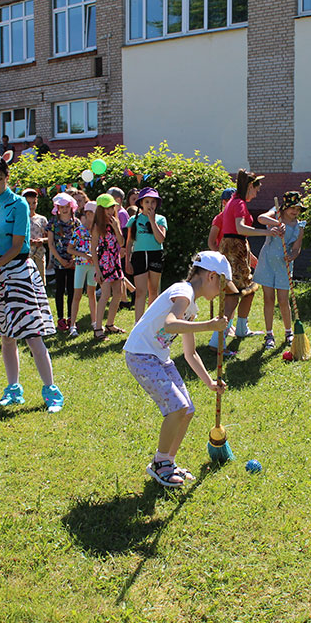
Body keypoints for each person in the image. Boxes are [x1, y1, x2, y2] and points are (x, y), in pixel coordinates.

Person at [123, 251, 233, 487]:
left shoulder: (191, 308)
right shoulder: (183, 291)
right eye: (222, 285)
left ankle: (168, 462)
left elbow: (190, 353)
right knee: (177, 407)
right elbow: (170, 324)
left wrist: (210, 382)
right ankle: (160, 463)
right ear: (212, 276)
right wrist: (209, 326)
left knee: (187, 409)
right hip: (141, 355)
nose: (222, 292)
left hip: (159, 358)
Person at [0, 152, 63, 413]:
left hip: (20, 272)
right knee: (6, 336)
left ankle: (51, 392)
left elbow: (15, 247)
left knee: (33, 336)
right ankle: (13, 390)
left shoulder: (19, 204)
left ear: (7, 177)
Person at [212, 170, 283, 350]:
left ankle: (241, 328)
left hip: (236, 249)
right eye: (256, 190)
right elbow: (240, 229)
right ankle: (217, 340)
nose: (256, 194)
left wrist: (250, 257)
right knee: (233, 295)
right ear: (250, 186)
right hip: (234, 251)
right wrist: (267, 232)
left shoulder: (235, 201)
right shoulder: (239, 203)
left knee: (249, 290)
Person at [254, 191, 306, 349]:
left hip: (284, 265)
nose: (295, 211)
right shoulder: (276, 214)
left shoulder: (299, 226)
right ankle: (269, 334)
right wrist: (276, 224)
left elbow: (296, 248)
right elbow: (261, 218)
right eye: (292, 208)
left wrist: (293, 255)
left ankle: (289, 332)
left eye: (298, 209)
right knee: (268, 299)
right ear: (284, 207)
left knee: (283, 300)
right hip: (267, 263)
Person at [126, 187, 168, 322]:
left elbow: (160, 239)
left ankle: (151, 322)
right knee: (140, 292)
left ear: (157, 204)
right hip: (139, 256)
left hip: (155, 254)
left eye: (153, 202)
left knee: (153, 291)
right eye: (147, 202)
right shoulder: (134, 220)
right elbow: (129, 242)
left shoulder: (161, 219)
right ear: (141, 203)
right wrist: (127, 261)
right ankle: (138, 324)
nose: (150, 205)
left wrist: (152, 221)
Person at [92, 193, 126, 340]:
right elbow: (93, 250)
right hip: (104, 263)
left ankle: (110, 324)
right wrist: (98, 270)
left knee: (118, 294)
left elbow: (121, 242)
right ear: (100, 210)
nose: (111, 211)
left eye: (112, 208)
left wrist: (117, 228)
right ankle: (98, 328)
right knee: (105, 295)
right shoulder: (97, 227)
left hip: (115, 261)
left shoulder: (114, 223)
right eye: (107, 208)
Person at [47, 192, 78, 331]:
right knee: (60, 289)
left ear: (71, 207)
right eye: (61, 207)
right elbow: (50, 243)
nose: (64, 209)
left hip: (73, 261)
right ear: (57, 208)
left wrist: (73, 259)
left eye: (67, 206)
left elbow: (80, 242)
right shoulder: (53, 222)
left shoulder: (76, 222)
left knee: (72, 289)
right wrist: (59, 259)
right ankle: (60, 318)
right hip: (59, 261)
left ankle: (71, 316)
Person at [69, 199, 97, 338]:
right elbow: (70, 249)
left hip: (93, 265)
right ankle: (72, 325)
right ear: (88, 214)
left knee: (92, 293)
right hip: (81, 265)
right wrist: (84, 255)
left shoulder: (97, 230)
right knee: (77, 295)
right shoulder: (79, 231)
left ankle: (95, 322)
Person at [24, 188, 49, 280]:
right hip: (25, 255)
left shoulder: (42, 219)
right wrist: (27, 241)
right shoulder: (20, 219)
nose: (31, 206)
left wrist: (42, 240)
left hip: (39, 254)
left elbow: (49, 237)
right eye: (28, 203)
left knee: (40, 279)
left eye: (34, 203)